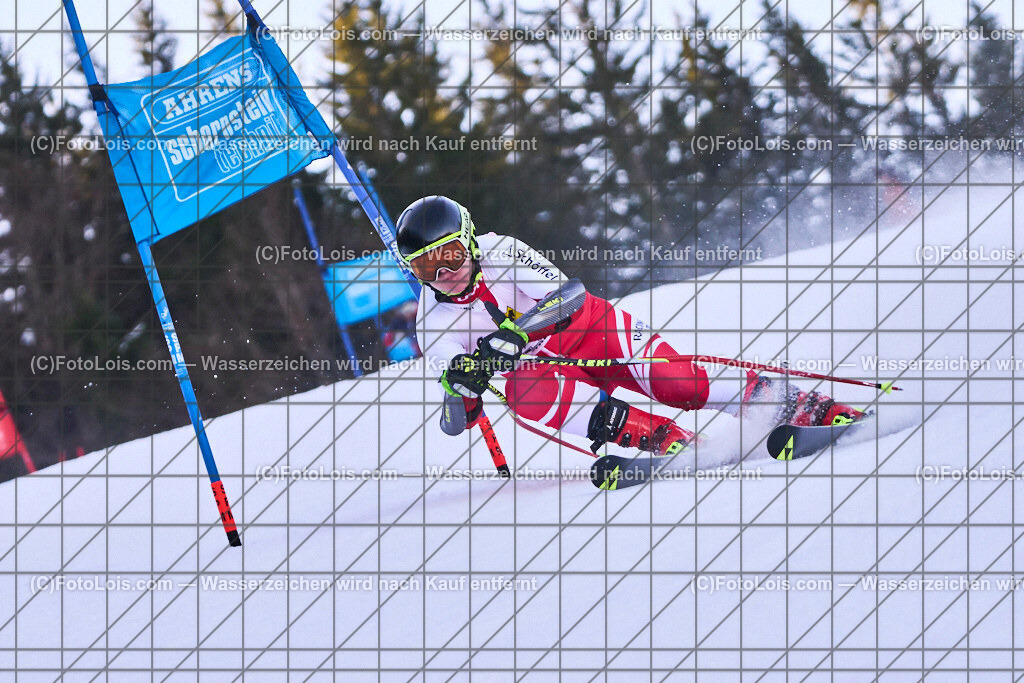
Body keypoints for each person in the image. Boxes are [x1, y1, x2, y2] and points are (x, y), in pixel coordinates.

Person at [397, 196, 863, 456]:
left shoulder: (501, 251)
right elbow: (456, 423)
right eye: (425, 269)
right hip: (553, 373)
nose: (444, 275)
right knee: (524, 393)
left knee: (677, 383)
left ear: (470, 241)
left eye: (451, 256)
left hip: (592, 331)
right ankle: (659, 436)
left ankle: (796, 403)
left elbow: (568, 297)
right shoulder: (432, 324)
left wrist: (513, 336)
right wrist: (461, 384)